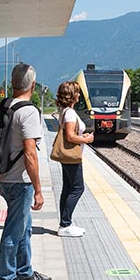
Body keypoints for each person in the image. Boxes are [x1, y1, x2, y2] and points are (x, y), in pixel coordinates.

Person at [0, 63, 50, 280]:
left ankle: (24, 271)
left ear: (13, 83)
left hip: (5, 177)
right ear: (33, 85)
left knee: (24, 228)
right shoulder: (28, 112)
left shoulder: (6, 105)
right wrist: (38, 189)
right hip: (20, 181)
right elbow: (30, 154)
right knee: (14, 231)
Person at [55, 81, 94, 237]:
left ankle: (66, 223)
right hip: (72, 157)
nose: (79, 95)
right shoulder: (70, 113)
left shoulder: (65, 111)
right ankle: (65, 224)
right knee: (78, 188)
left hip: (68, 157)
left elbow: (71, 134)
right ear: (72, 95)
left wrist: (81, 136)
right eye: (77, 92)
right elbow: (70, 136)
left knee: (68, 188)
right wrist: (86, 139)